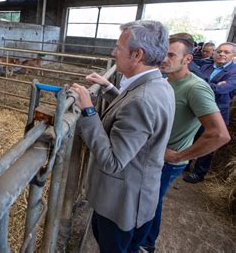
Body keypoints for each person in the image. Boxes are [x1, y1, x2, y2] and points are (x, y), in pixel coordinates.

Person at [70, 20, 175, 253]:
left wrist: (88, 111)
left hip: (121, 205)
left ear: (137, 55)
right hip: (139, 195)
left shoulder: (143, 99)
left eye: (118, 47)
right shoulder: (159, 85)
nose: (113, 52)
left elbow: (113, 162)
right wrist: (109, 89)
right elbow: (135, 119)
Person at [141, 35, 231, 252]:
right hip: (153, 154)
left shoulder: (195, 88)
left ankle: (146, 244)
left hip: (169, 160)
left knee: (150, 202)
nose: (164, 58)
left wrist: (179, 156)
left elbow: (220, 134)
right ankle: (145, 241)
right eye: (163, 53)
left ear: (188, 58)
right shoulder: (166, 81)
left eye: (171, 54)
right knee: (150, 200)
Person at [184, 42, 236, 183]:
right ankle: (186, 163)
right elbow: (190, 81)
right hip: (196, 110)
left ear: (233, 56)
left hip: (216, 112)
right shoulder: (206, 66)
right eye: (219, 51)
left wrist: (201, 84)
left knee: (208, 141)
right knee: (192, 137)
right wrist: (213, 86)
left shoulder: (234, 72)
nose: (221, 54)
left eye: (226, 52)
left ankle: (199, 172)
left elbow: (223, 90)